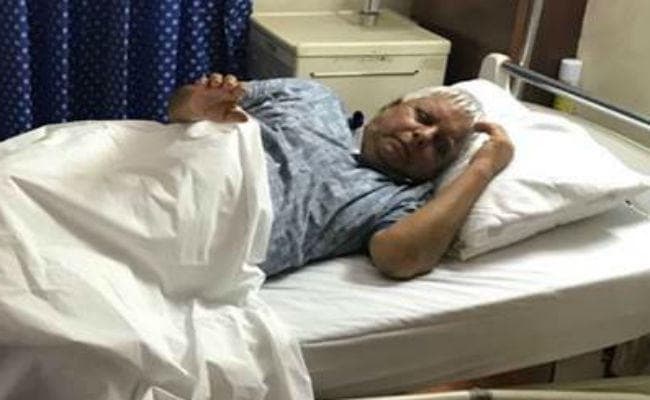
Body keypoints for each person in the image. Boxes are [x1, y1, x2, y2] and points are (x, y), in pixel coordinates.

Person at [168, 73, 514, 279]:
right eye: (422, 117)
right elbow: (180, 107)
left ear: (437, 170)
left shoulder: (398, 200)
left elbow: (402, 258)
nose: (423, 136)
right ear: (392, 105)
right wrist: (196, 104)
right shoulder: (311, 98)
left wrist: (482, 169)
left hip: (189, 238)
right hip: (165, 171)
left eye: (441, 147)